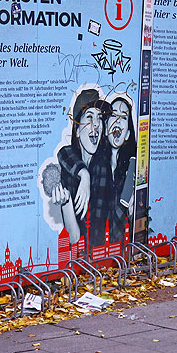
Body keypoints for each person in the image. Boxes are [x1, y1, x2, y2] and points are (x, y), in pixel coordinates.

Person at [56, 89, 108, 246]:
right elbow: (74, 239)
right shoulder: (69, 165)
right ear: (77, 130)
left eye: (99, 118)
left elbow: (96, 235)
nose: (96, 125)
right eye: (90, 117)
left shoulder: (102, 168)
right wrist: (67, 204)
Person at [106, 96, 138, 245]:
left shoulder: (132, 168)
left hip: (120, 248)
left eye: (123, 117)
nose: (117, 121)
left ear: (127, 134)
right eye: (113, 115)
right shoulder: (95, 164)